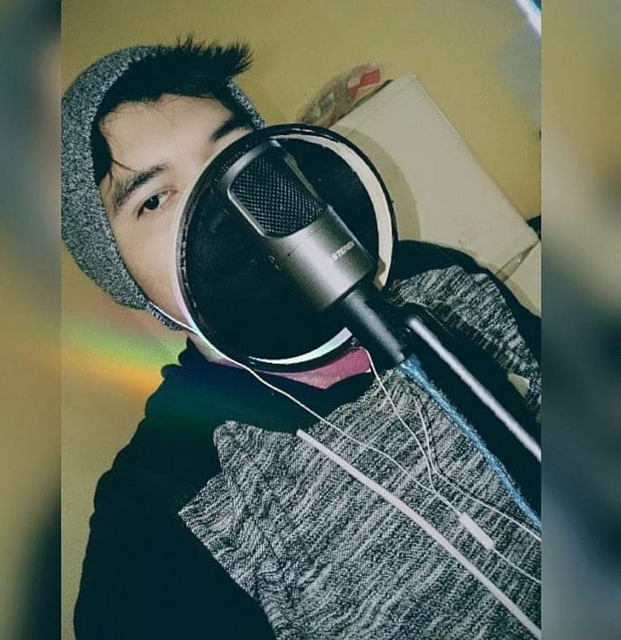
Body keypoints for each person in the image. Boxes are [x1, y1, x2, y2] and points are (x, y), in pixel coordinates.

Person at [63, 38, 541, 639]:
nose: (223, 206)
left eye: (233, 151)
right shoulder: (160, 504)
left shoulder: (438, 279)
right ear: (122, 276)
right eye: (155, 199)